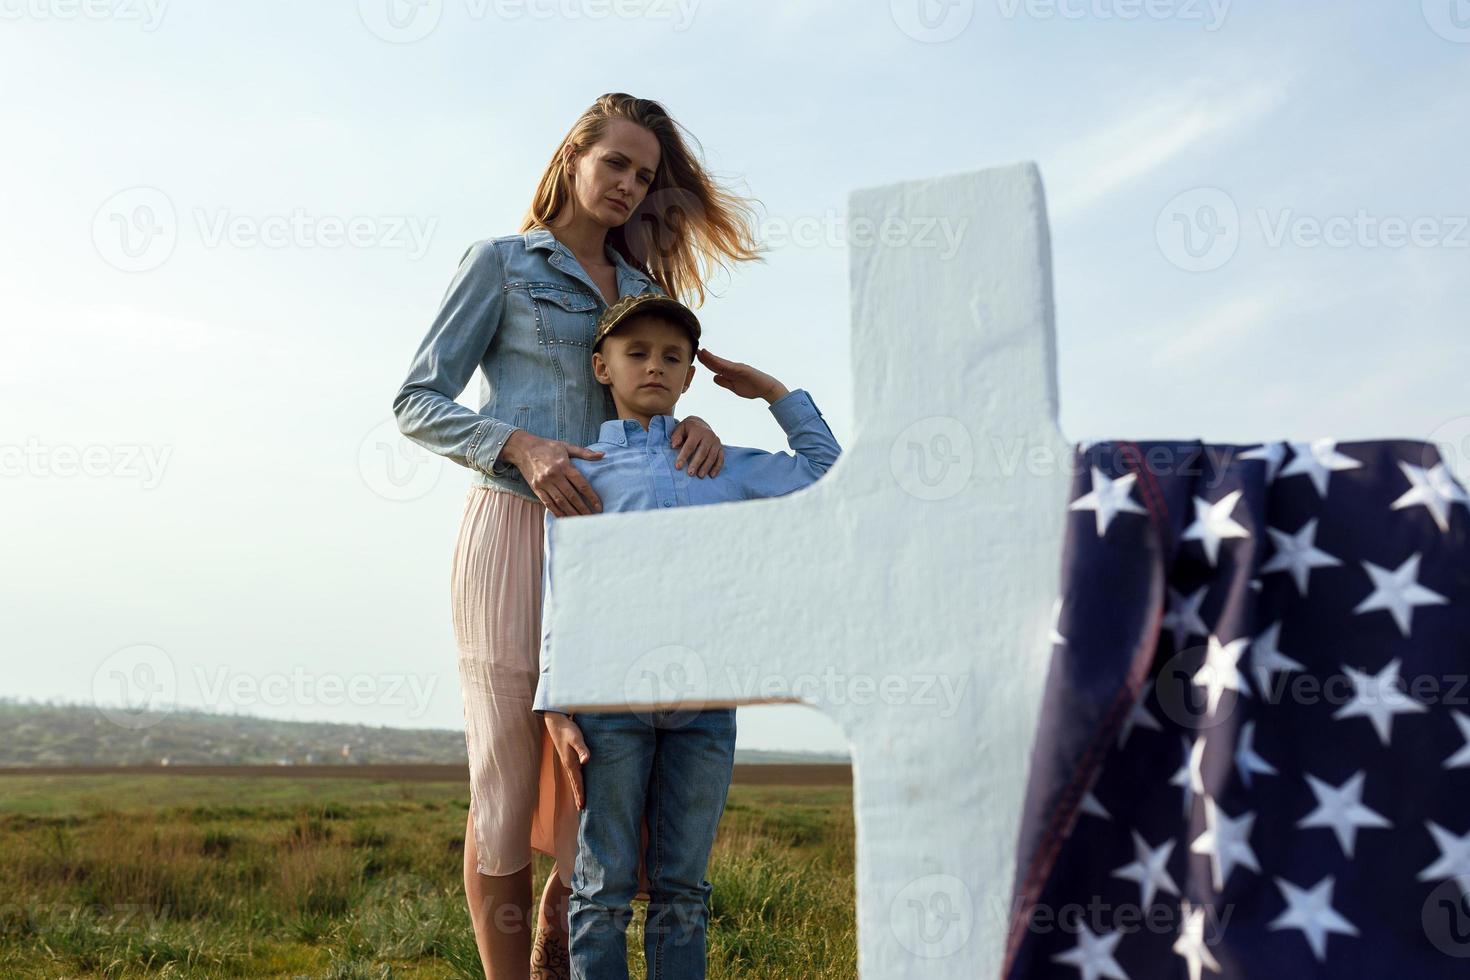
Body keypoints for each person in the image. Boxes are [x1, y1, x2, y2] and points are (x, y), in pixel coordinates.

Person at [391, 93, 763, 980]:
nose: (630, 186)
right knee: (511, 783)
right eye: (617, 165)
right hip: (513, 535)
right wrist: (517, 444)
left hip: (615, 553)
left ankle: (562, 926)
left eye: (645, 175)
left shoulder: (647, 296)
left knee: (611, 768)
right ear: (572, 159)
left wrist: (696, 431)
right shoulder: (500, 265)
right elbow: (416, 401)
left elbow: (651, 400)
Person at [532, 292, 842, 979]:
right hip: (609, 704)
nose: (655, 366)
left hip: (706, 699)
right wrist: (555, 705)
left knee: (683, 889)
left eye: (673, 356)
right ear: (602, 367)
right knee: (602, 886)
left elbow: (829, 474)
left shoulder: (721, 462)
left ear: (689, 375)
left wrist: (772, 393)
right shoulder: (579, 472)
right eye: (635, 352)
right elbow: (567, 591)